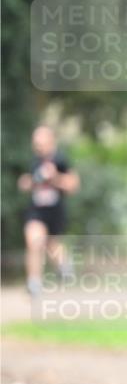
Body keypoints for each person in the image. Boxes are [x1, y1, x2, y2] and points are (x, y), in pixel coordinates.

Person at [18, 125, 80, 295]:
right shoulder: (34, 161)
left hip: (55, 211)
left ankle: (65, 267)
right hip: (36, 210)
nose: (38, 146)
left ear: (51, 140)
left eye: (41, 142)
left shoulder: (61, 160)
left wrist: (55, 177)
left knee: (52, 245)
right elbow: (25, 182)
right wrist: (28, 182)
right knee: (34, 240)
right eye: (36, 143)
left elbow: (73, 185)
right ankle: (34, 283)